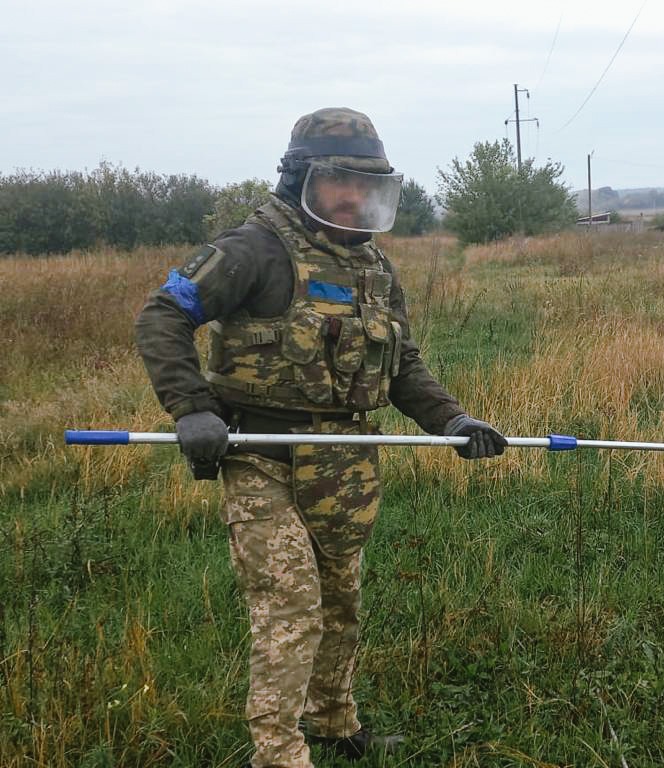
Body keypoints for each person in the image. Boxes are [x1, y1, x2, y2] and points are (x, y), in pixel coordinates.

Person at [135, 107, 506, 768]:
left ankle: (334, 722)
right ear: (302, 176)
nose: (355, 198)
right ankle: (278, 754)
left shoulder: (374, 266)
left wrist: (452, 421)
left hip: (345, 468)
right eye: (341, 181)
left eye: (368, 186)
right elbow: (164, 313)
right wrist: (191, 408)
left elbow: (404, 366)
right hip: (261, 459)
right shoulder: (252, 250)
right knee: (291, 611)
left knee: (341, 605)